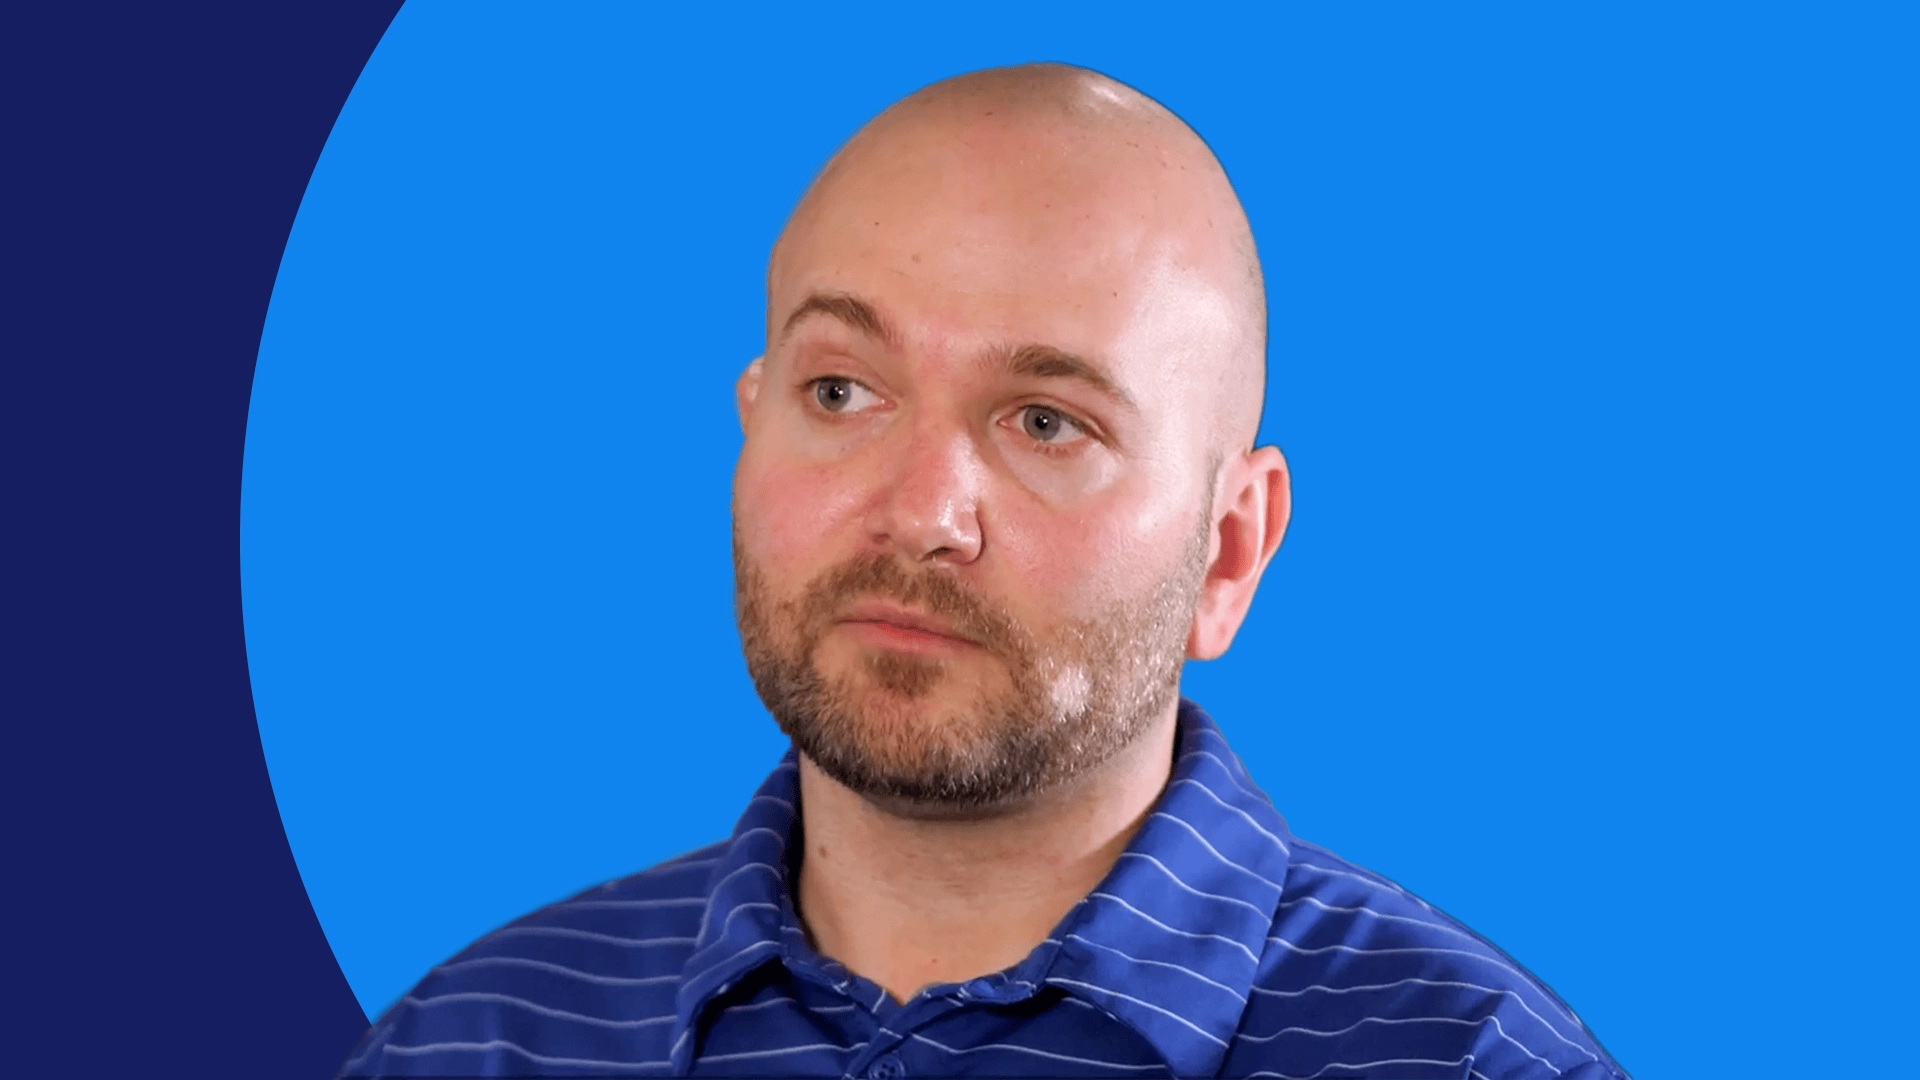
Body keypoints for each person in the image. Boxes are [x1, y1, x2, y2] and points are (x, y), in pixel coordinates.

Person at [340, 63, 1627, 1080]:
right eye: (840, 392)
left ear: (1229, 549)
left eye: (1046, 422)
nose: (918, 516)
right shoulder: (472, 1045)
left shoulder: (1468, 1061)